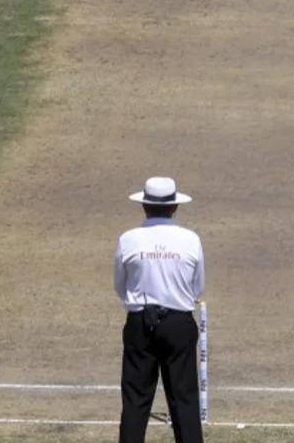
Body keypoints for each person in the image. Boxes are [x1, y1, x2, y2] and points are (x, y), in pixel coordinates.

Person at [115, 177, 205, 443]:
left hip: (140, 322)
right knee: (184, 400)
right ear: (174, 208)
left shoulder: (128, 240)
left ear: (144, 206)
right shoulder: (190, 240)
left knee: (135, 400)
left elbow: (120, 286)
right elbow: (197, 288)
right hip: (178, 322)